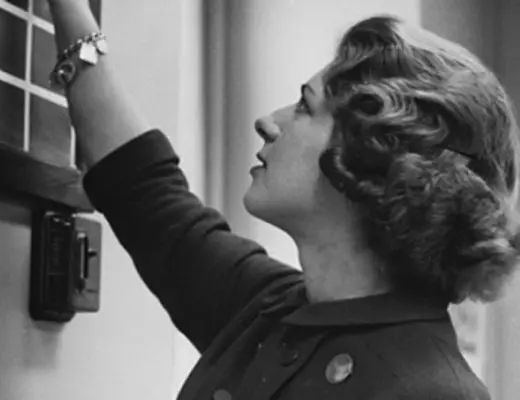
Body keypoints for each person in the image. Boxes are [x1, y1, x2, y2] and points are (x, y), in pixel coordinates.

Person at [47, 1, 520, 399]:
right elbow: (145, 194)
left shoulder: (434, 392)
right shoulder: (270, 308)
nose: (268, 121)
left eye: (304, 107)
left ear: (372, 158)